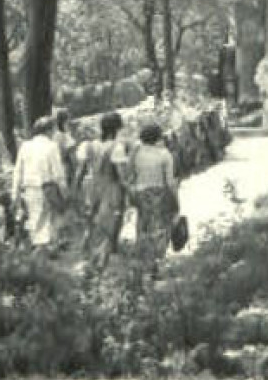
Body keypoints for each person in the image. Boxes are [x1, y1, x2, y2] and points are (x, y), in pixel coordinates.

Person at [76, 111, 128, 271]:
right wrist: (129, 188)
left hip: (91, 186)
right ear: (116, 129)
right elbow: (121, 174)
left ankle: (87, 255)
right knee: (107, 225)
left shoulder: (88, 146)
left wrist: (75, 187)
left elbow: (80, 170)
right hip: (110, 188)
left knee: (91, 222)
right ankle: (99, 263)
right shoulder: (116, 147)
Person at [127, 120, 178, 274]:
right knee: (160, 228)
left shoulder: (136, 153)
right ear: (159, 137)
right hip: (158, 193)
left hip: (140, 193)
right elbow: (170, 182)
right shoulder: (164, 155)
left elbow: (130, 175)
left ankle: (141, 264)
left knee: (142, 227)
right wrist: (176, 201)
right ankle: (156, 265)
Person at [11, 115, 67, 251]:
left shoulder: (25, 146)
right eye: (52, 130)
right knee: (48, 224)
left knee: (35, 224)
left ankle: (41, 252)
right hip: (48, 188)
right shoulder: (51, 146)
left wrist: (15, 195)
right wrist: (65, 191)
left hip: (29, 190)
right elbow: (58, 174)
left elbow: (18, 172)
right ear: (48, 131)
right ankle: (44, 254)